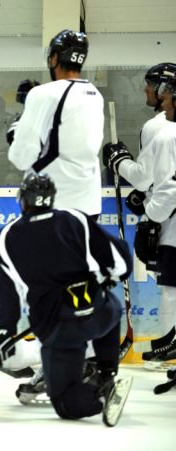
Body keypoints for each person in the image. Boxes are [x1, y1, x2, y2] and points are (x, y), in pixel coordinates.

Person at [0, 173, 133, 427]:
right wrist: (109, 277)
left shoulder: (7, 236)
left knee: (67, 405)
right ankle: (107, 375)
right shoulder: (74, 218)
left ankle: (98, 393)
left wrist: (1, 333)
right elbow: (120, 260)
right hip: (101, 312)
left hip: (59, 327)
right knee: (109, 308)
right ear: (51, 198)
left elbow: (7, 297)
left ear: (23, 201)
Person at [102, 65, 176, 364]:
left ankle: (170, 352)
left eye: (152, 85)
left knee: (170, 289)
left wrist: (119, 162)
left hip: (170, 221)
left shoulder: (162, 130)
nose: (146, 89)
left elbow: (148, 180)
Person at [8, 29, 104, 217]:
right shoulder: (95, 95)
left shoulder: (42, 94)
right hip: (89, 202)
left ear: (54, 58)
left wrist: (16, 128)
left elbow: (22, 158)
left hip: (50, 202)